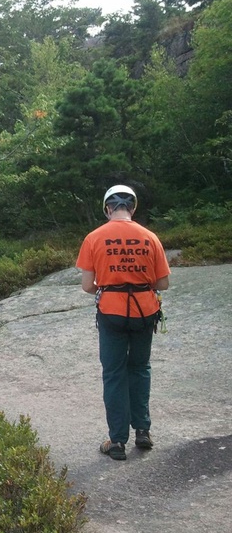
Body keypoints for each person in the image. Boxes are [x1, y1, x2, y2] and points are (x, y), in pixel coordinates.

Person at [76, 185, 170, 461]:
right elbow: (163, 282)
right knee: (140, 368)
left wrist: (112, 284)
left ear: (107, 208)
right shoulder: (150, 237)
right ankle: (143, 431)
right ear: (133, 208)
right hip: (144, 311)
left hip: (111, 313)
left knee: (114, 373)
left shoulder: (94, 238)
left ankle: (117, 441)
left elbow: (87, 286)